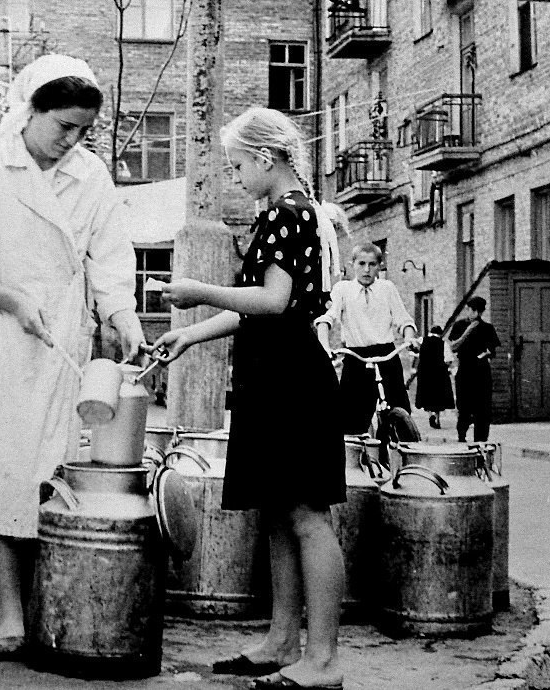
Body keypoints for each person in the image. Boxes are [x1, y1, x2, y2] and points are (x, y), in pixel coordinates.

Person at [0, 55, 144, 660]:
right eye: (63, 125)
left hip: (61, 340)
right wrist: (11, 299)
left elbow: (110, 258)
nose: (72, 140)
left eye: (83, 130)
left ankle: (52, 608)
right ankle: (13, 616)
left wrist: (123, 316)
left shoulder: (89, 176)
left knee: (51, 477)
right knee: (4, 480)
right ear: (30, 110)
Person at [152, 107, 345, 690]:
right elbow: (259, 311)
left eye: (237, 164)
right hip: (275, 370)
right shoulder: (291, 212)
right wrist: (191, 332)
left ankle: (324, 660)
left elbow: (275, 301)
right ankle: (284, 641)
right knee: (280, 516)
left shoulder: (288, 213)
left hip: (290, 378)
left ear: (266, 158)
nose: (234, 176)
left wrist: (197, 290)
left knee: (308, 516)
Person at [315, 243, 417, 436]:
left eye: (372, 264)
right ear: (353, 264)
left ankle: (403, 457)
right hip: (357, 357)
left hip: (387, 354)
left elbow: (403, 319)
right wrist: (324, 346)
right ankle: (354, 460)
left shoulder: (387, 288)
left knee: (401, 414)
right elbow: (327, 318)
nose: (367, 269)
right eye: (361, 263)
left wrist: (409, 337)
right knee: (350, 419)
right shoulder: (342, 289)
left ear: (380, 265)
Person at [449, 296, 500, 442]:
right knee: (464, 407)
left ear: (477, 312)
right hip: (465, 370)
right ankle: (462, 436)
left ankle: (480, 441)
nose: (467, 313)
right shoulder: (459, 326)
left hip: (482, 372)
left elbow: (492, 351)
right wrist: (467, 332)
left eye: (470, 310)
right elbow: (453, 346)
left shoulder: (487, 328)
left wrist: (486, 353)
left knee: (483, 409)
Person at [416, 326, 455, 429]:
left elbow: (414, 347)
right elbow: (448, 359)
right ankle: (437, 418)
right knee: (438, 397)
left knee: (427, 396)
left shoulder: (422, 340)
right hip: (439, 374)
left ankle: (431, 414)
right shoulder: (443, 343)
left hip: (425, 373)